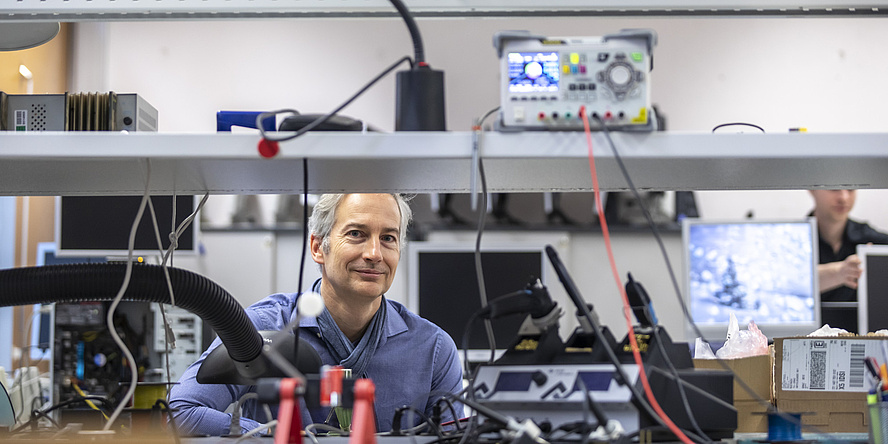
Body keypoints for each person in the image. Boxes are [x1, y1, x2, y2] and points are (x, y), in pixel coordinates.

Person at [169, 193, 464, 436]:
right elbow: (180, 411)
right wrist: (271, 433)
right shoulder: (263, 329)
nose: (375, 253)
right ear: (317, 247)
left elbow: (456, 438)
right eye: (357, 234)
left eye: (388, 238)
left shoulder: (433, 349)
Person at [810, 189, 888, 332]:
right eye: (834, 189)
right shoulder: (792, 237)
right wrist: (840, 272)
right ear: (811, 189)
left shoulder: (871, 238)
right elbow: (780, 281)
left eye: (851, 189)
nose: (844, 197)